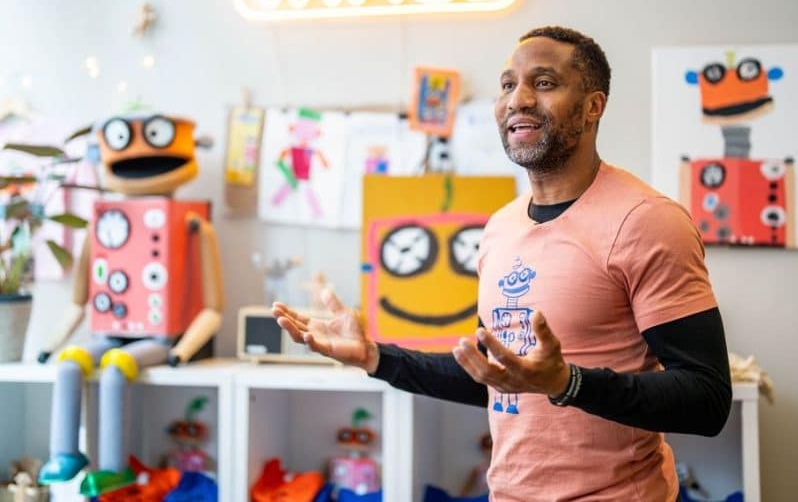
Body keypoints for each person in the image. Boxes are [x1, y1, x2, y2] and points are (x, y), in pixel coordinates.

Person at [273, 26, 732, 501]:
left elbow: (708, 399)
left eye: (544, 83)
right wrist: (374, 356)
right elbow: (492, 376)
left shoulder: (647, 221)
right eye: (508, 84)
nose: (518, 100)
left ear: (593, 106)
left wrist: (568, 383)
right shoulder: (500, 228)